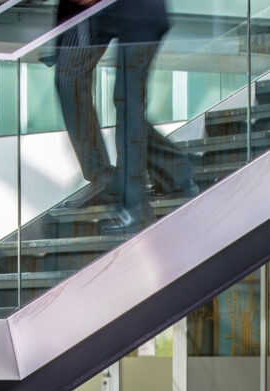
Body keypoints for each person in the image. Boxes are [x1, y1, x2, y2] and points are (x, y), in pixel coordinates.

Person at [53, 0, 196, 227]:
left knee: (127, 102)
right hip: (98, 16)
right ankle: (174, 171)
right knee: (68, 78)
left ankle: (135, 206)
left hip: (139, 15)